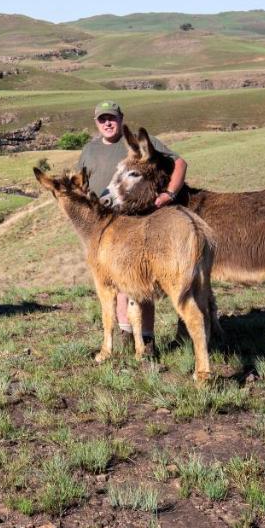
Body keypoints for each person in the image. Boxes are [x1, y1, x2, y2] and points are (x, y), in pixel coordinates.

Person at [75, 100, 188, 347]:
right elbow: (79, 183)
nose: (107, 123)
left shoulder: (137, 144)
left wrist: (169, 193)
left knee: (139, 281)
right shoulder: (89, 150)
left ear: (121, 118)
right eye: (102, 119)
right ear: (96, 122)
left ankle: (146, 338)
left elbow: (179, 162)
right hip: (103, 227)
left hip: (136, 222)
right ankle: (126, 334)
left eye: (112, 118)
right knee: (114, 283)